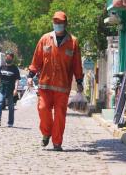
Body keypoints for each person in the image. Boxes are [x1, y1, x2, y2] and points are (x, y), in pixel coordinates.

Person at [26, 11, 84, 151]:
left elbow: (77, 64)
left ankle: (57, 142)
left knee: (60, 115)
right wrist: (30, 74)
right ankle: (46, 133)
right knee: (42, 109)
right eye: (55, 22)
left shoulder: (73, 42)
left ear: (65, 24)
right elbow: (37, 59)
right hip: (45, 84)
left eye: (60, 23)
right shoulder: (45, 39)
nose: (57, 25)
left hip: (62, 87)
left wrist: (80, 81)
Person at [0, 53, 20, 127]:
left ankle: (10, 122)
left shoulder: (15, 68)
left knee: (11, 107)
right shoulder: (1, 67)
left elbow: (17, 80)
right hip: (2, 88)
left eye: (9, 57)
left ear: (12, 58)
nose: (7, 58)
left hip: (11, 89)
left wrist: (15, 89)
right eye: (6, 57)